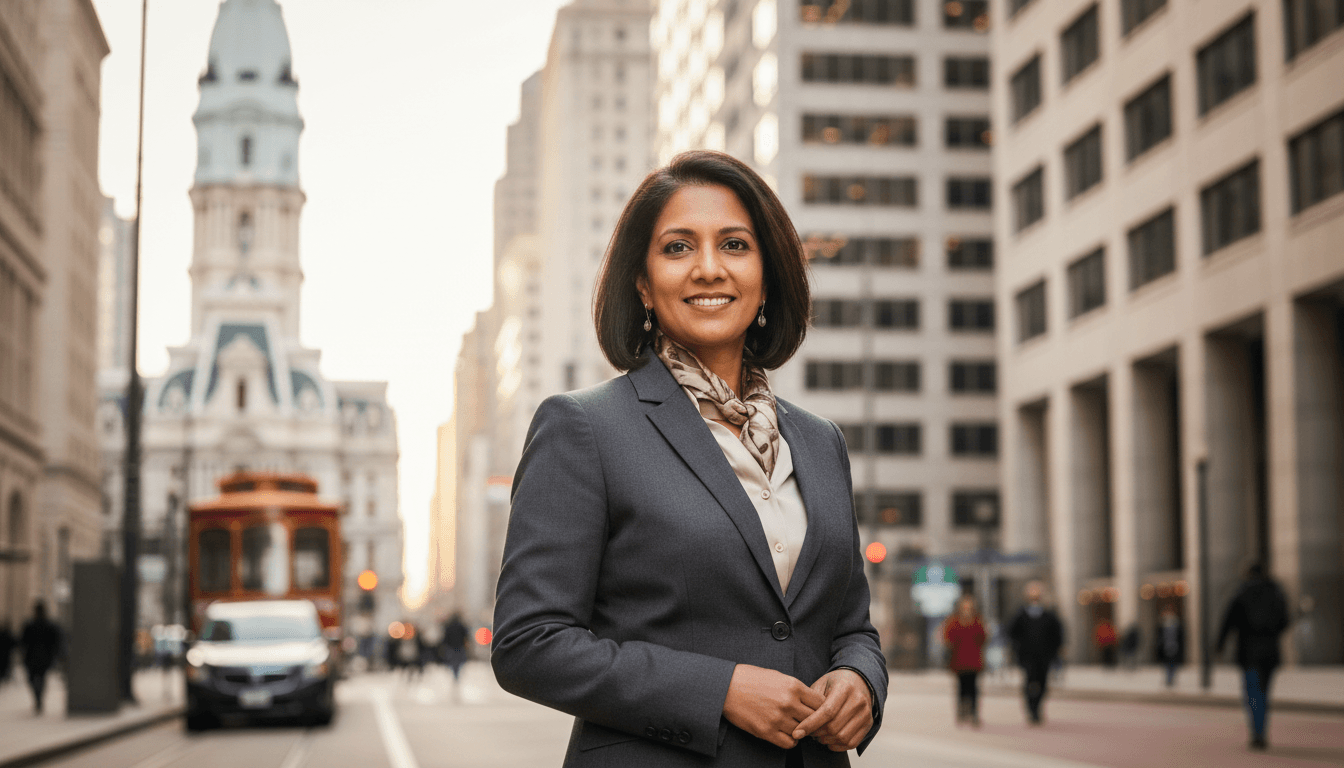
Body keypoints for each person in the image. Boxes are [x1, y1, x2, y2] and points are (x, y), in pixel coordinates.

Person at [492, 150, 887, 767]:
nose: (708, 268)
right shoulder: (584, 427)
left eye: (734, 245)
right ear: (644, 284)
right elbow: (529, 644)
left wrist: (862, 681)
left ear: (767, 276)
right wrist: (721, 689)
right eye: (678, 248)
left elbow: (851, 626)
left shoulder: (820, 442)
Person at [1217, 562, 1290, 751]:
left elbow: (1228, 622)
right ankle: (1261, 728)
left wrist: (1220, 645)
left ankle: (1258, 732)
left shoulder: (1241, 592)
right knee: (1264, 693)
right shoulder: (1276, 593)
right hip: (1270, 651)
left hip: (1248, 651)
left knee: (1252, 693)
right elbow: (1285, 622)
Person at [1007, 581, 1063, 725]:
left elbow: (1057, 635)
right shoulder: (1020, 614)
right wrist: (1016, 648)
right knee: (1030, 681)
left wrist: (1056, 651)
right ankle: (1031, 710)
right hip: (1027, 656)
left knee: (1043, 683)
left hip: (1044, 656)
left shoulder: (1049, 615)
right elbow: (1011, 633)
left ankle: (1038, 707)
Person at [941, 595, 987, 727]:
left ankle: (973, 712)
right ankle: (962, 711)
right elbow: (948, 639)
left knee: (973, 688)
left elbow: (982, 638)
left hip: (974, 661)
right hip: (959, 661)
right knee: (961, 687)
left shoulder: (978, 621)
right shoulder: (954, 622)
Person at [19, 601, 62, 713]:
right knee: (37, 679)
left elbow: (23, 642)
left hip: (36, 657)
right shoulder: (34, 625)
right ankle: (38, 698)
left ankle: (38, 699)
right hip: (39, 657)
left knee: (35, 678)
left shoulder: (35, 625)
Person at [1155, 606, 1185, 688]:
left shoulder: (1177, 625)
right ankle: (1169, 679)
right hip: (1165, 648)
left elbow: (1181, 638)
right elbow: (1159, 638)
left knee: (1173, 664)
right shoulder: (1162, 626)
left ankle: (1171, 678)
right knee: (1167, 664)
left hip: (1175, 647)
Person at [440, 613, 468, 683]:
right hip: (459, 646)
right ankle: (456, 673)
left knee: (453, 662)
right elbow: (466, 635)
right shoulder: (461, 625)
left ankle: (455, 673)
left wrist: (444, 645)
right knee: (458, 661)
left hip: (451, 647)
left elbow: (445, 637)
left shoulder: (449, 626)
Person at [0, 622, 15, 686]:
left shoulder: (3, 635)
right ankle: (5, 675)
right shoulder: (7, 635)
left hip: (3, 654)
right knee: (6, 665)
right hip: (6, 654)